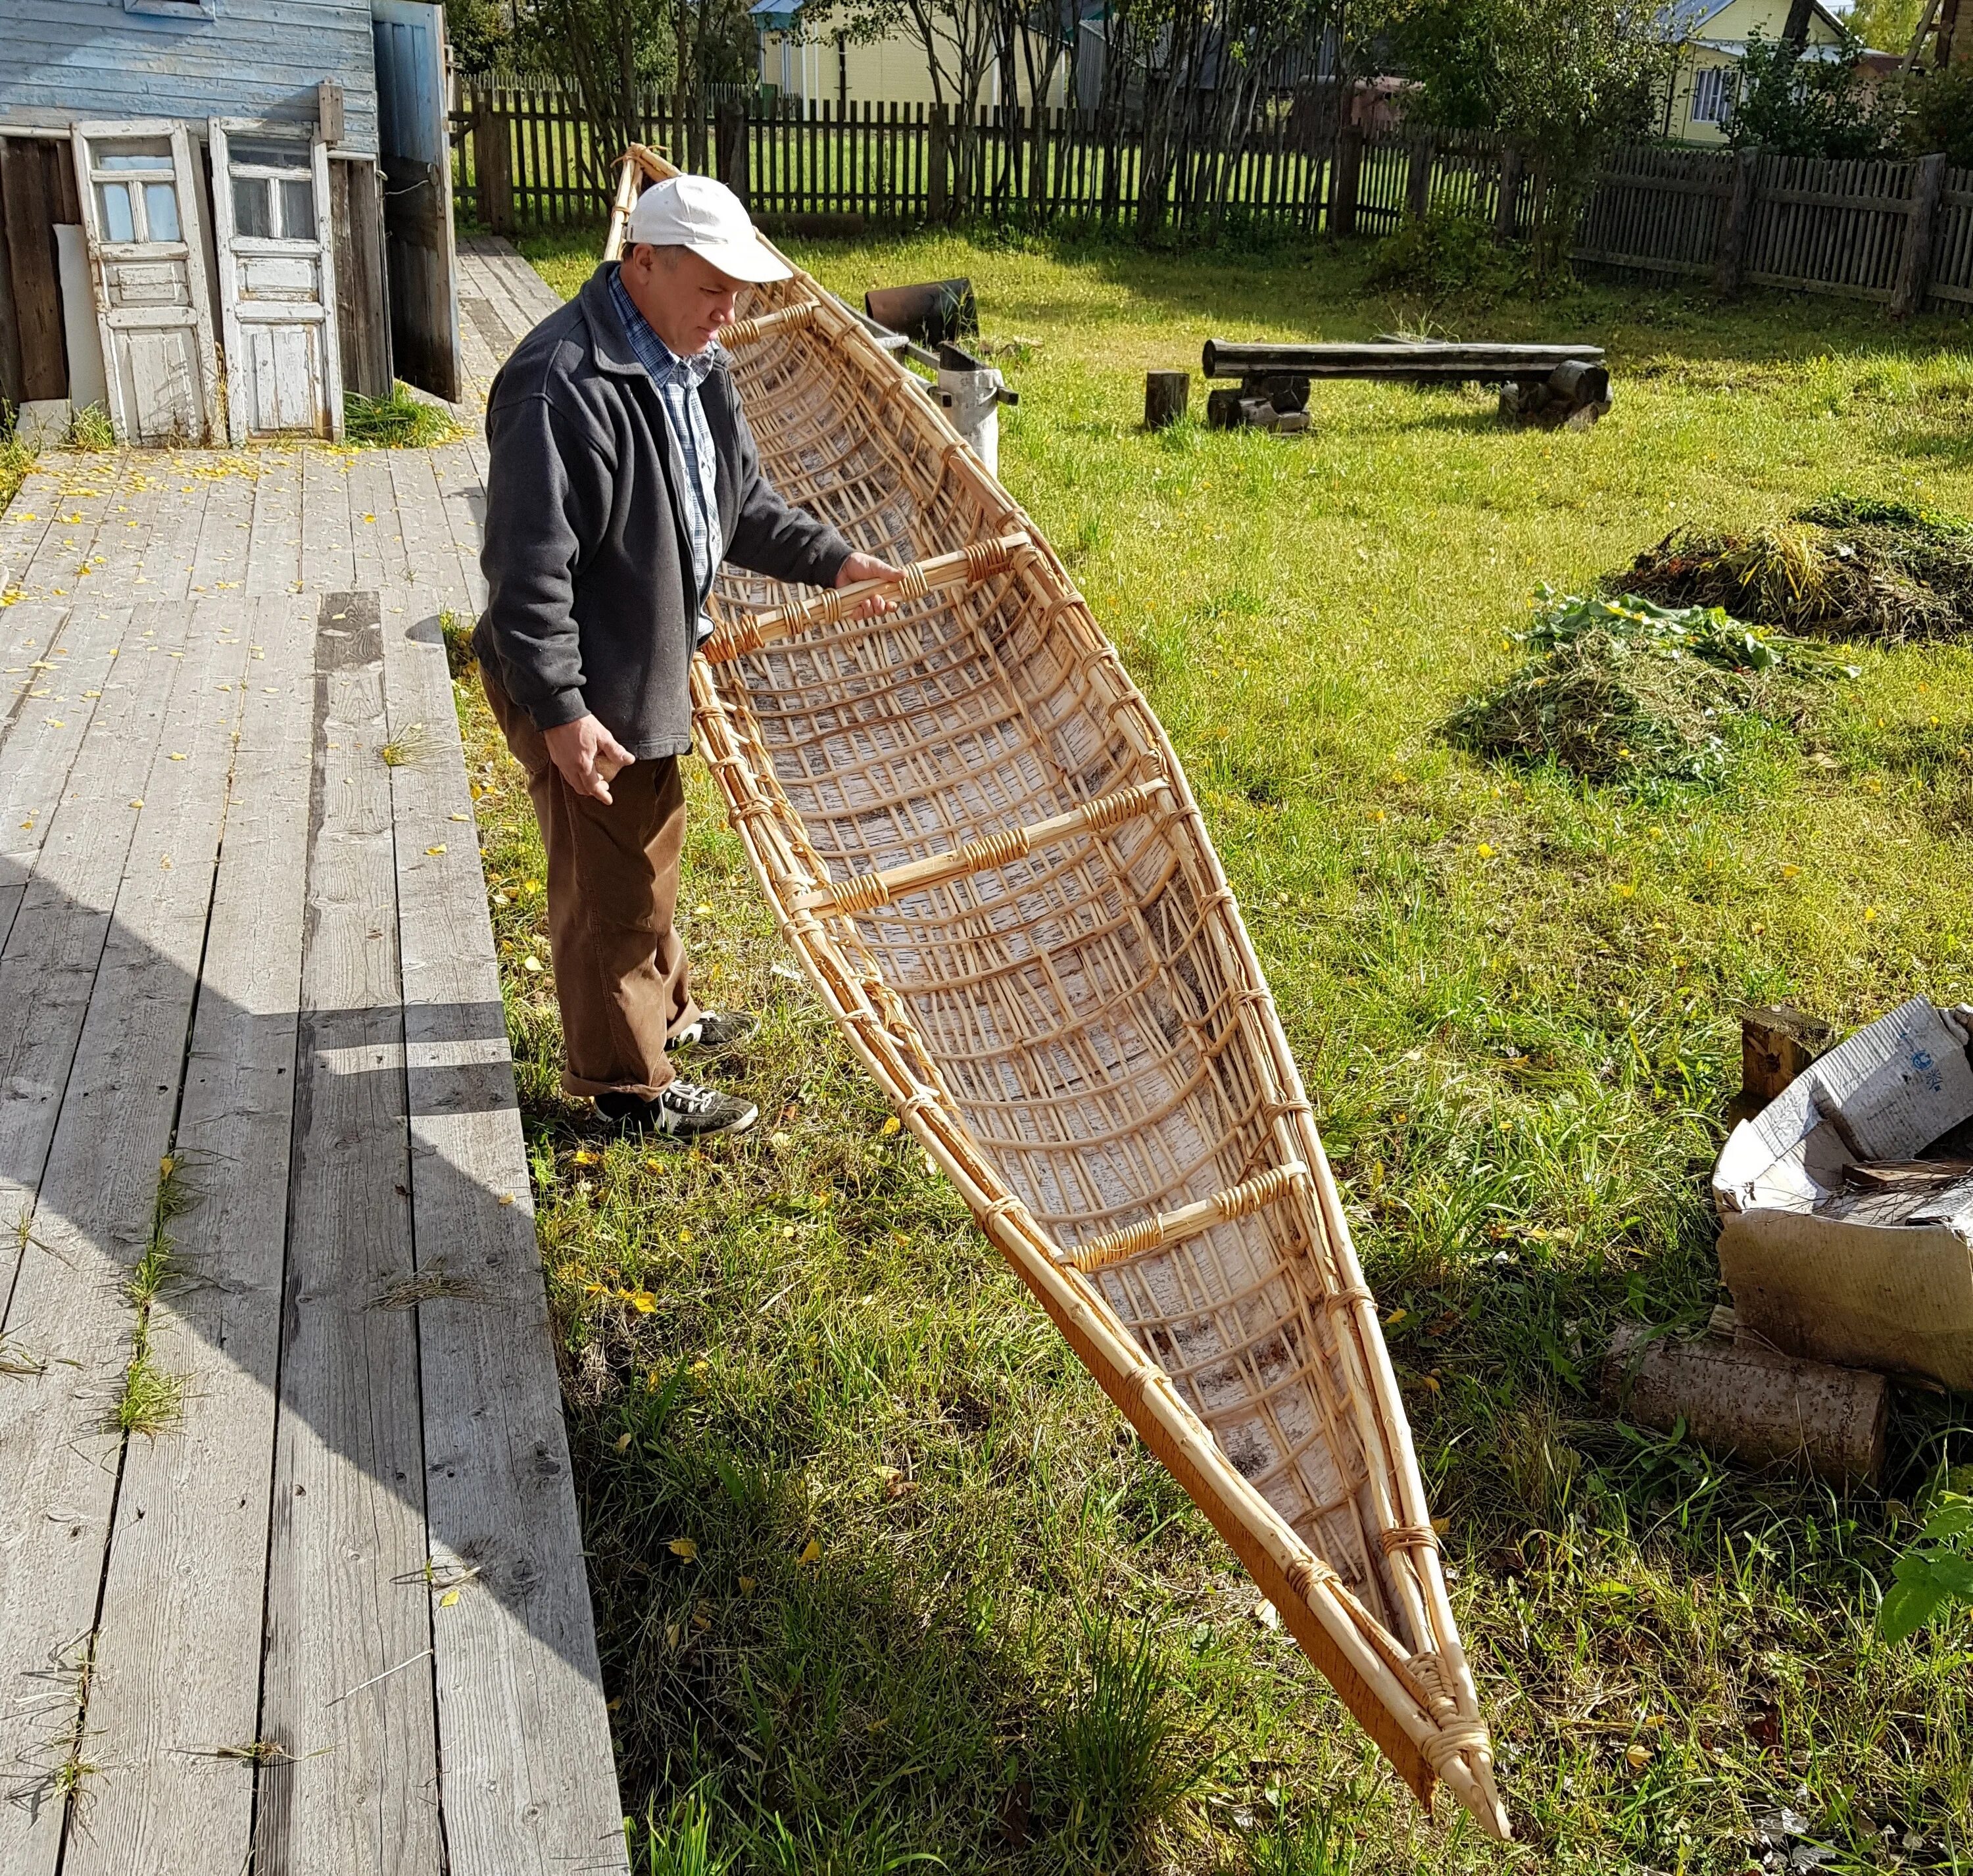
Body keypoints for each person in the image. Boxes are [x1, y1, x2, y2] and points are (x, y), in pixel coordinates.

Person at [474, 174, 902, 1140]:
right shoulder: (559, 384)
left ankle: (668, 1016)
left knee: (646, 853)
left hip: (643, 660)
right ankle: (624, 1087)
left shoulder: (691, 360)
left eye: (738, 290)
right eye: (712, 287)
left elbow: (737, 505)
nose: (729, 311)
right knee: (608, 886)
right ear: (642, 263)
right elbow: (527, 569)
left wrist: (832, 560)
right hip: (586, 676)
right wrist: (563, 710)